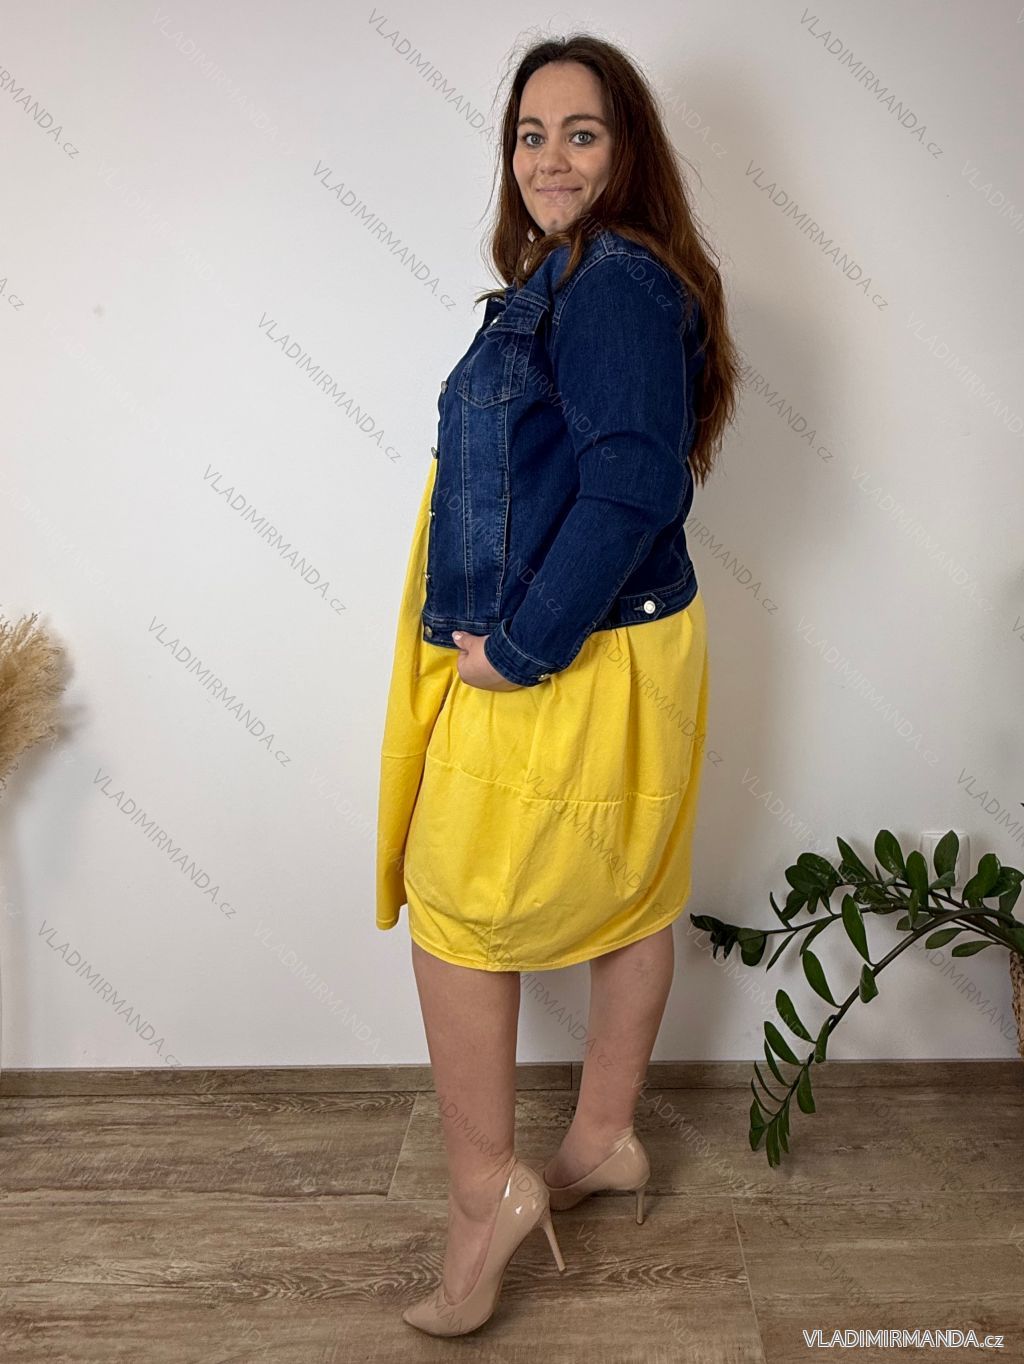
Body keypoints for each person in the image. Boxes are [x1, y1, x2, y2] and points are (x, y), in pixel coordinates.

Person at [375, 32, 738, 1337]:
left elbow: (634, 487)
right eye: (530, 134)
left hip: (580, 650)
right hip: (626, 641)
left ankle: (488, 1194)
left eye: (581, 132)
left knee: (458, 904)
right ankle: (604, 1139)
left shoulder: (615, 283)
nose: (549, 158)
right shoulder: (574, 277)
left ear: (628, 149)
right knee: (632, 887)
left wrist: (521, 648)